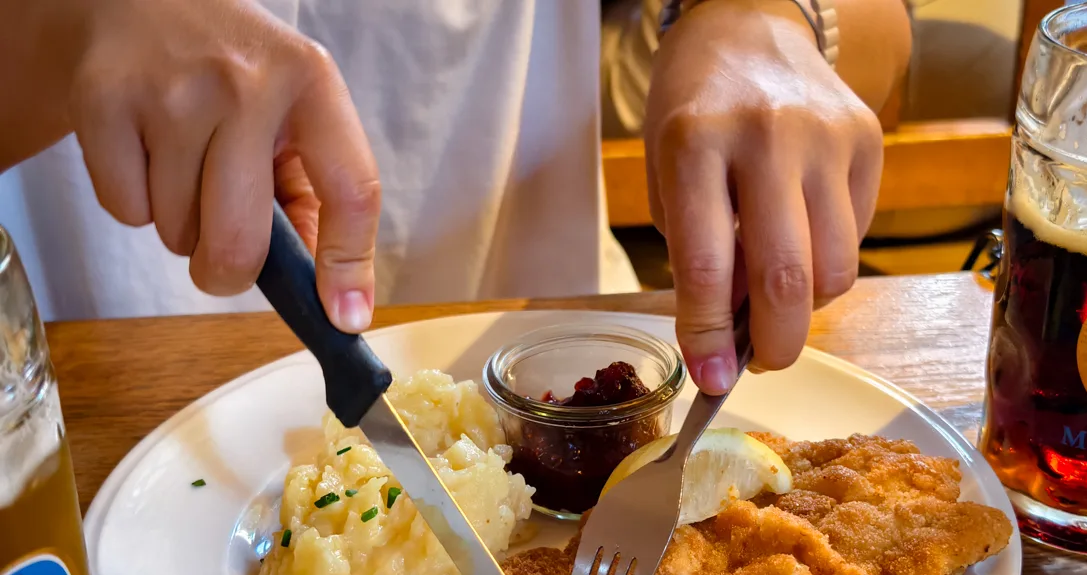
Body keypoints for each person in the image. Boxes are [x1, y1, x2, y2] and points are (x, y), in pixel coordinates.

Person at [0, 0, 910, 395]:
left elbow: (887, 42)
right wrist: (63, 32)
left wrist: (759, 19)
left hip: (562, 329)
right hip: (80, 388)